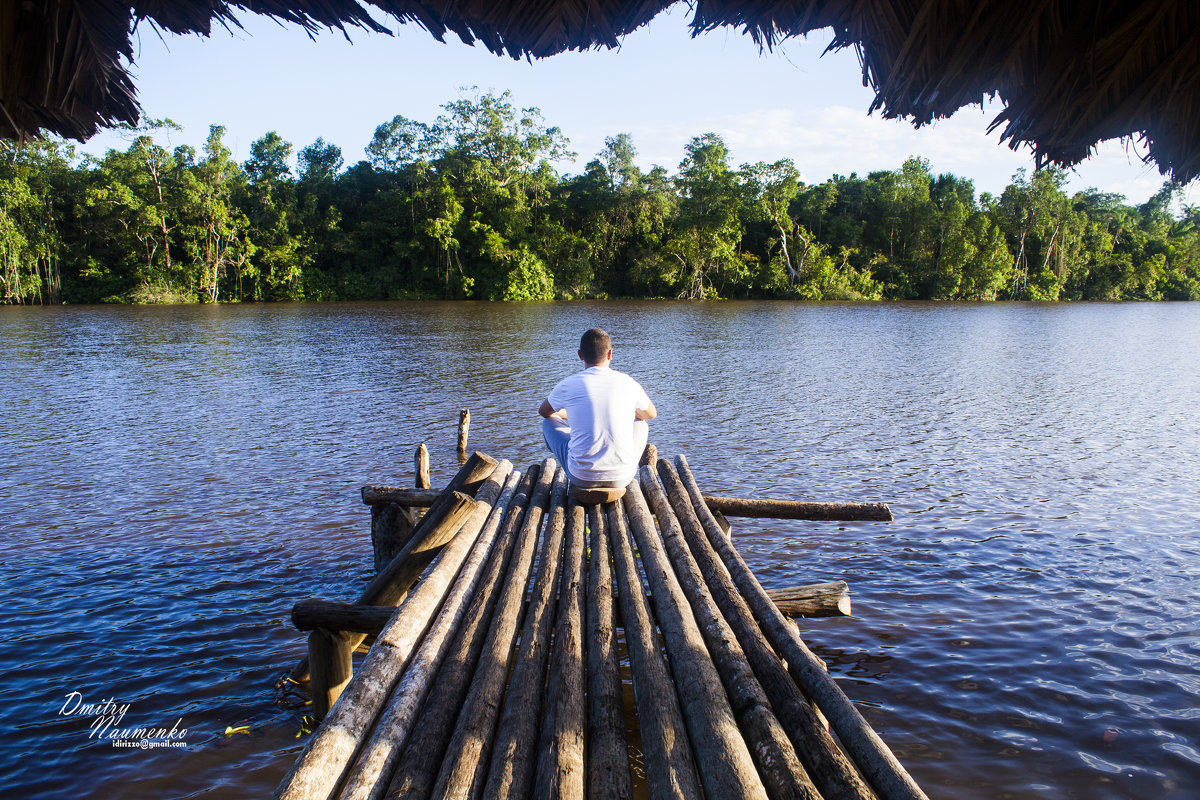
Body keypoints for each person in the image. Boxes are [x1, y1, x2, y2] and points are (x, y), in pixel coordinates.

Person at [539, 328, 657, 488]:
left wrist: (570, 414)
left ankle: (575, 458)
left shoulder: (568, 384)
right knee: (641, 424)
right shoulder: (627, 382)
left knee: (548, 422)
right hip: (622, 477)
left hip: (581, 477)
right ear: (610, 354)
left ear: (580, 355)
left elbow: (544, 412)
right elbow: (650, 413)